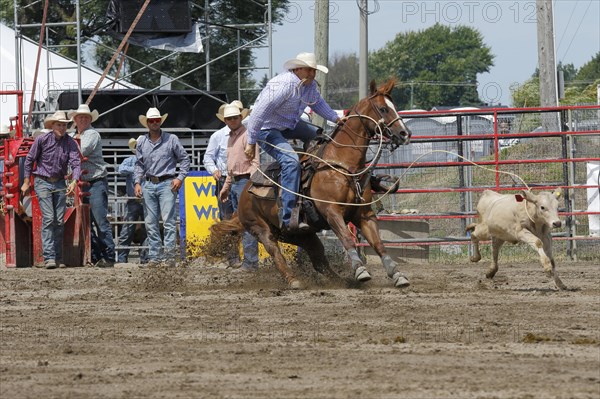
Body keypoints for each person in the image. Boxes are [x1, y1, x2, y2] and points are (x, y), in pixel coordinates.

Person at [244, 52, 342, 233]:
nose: (312, 74)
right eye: (309, 70)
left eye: (314, 71)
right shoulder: (283, 85)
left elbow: (318, 104)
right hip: (268, 129)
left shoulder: (309, 86)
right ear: (297, 69)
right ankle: (288, 215)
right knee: (290, 161)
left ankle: (314, 187)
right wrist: (251, 141)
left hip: (290, 125)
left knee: (320, 138)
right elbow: (258, 113)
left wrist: (336, 119)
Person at [21, 111, 81, 269]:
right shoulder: (42, 140)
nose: (62, 127)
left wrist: (74, 181)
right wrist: (27, 181)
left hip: (60, 182)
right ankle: (50, 257)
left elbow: (76, 163)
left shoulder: (71, 143)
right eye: (59, 124)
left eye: (64, 125)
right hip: (42, 181)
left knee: (59, 220)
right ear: (52, 125)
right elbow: (29, 160)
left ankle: (57, 257)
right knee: (49, 218)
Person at [134, 107, 190, 264]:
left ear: (160, 121)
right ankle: (156, 257)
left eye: (157, 120)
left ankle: (169, 257)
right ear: (147, 123)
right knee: (151, 222)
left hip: (167, 183)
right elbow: (139, 164)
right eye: (151, 120)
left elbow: (185, 159)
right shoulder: (141, 142)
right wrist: (137, 182)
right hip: (149, 183)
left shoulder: (172, 139)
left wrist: (179, 178)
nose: (154, 123)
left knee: (168, 222)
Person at [69, 104, 116, 268]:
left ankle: (108, 256)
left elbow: (82, 149)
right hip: (83, 183)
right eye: (80, 117)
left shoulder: (92, 134)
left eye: (85, 117)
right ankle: (96, 255)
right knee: (86, 222)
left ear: (89, 120)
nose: (82, 119)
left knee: (99, 221)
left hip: (95, 181)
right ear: (75, 120)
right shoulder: (74, 136)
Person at [218, 102, 260, 272]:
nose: (232, 120)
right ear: (225, 121)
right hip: (235, 181)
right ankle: (246, 261)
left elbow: (255, 162)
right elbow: (231, 167)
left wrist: (250, 184)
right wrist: (226, 186)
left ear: (241, 118)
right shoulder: (230, 138)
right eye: (229, 118)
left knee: (247, 223)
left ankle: (250, 263)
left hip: (244, 182)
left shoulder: (248, 135)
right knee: (241, 223)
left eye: (235, 118)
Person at [116, 136, 148, 264]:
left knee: (147, 230)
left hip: (146, 200)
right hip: (134, 199)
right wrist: (137, 170)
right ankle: (122, 258)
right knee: (127, 229)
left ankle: (145, 258)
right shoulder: (130, 160)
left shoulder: (148, 160)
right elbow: (120, 169)